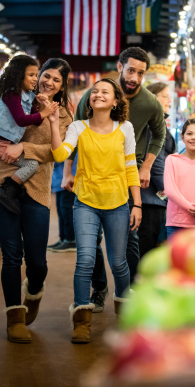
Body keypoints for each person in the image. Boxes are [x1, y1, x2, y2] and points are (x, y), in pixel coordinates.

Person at [62, 47, 165, 312]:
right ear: (120, 67)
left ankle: (127, 296)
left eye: (141, 73)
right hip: (90, 184)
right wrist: (67, 171)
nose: (135, 77)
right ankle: (98, 291)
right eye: (131, 70)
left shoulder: (149, 103)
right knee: (90, 248)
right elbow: (76, 134)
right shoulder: (95, 94)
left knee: (126, 248)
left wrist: (147, 168)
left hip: (125, 181)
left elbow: (159, 134)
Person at [0, 58, 73, 344]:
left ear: (62, 85)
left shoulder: (64, 117)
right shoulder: (16, 97)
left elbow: (56, 152)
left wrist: (24, 147)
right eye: (44, 76)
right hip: (0, 182)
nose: (48, 82)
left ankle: (33, 290)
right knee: (10, 255)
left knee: (37, 262)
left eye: (56, 80)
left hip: (37, 188)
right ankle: (14, 318)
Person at [50, 78, 141, 344]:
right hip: (86, 202)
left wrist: (137, 204)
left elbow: (130, 168)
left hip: (117, 204)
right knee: (85, 260)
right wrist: (55, 124)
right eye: (95, 91)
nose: (98, 94)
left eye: (105, 92)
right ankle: (81, 320)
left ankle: (125, 313)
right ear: (89, 99)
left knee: (118, 262)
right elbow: (59, 155)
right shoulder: (78, 127)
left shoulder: (125, 128)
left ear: (115, 101)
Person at [0, 54, 59, 217]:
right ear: (19, 75)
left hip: (4, 138)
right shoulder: (11, 94)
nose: (35, 79)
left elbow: (36, 121)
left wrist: (41, 106)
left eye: (36, 75)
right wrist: (45, 112)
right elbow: (21, 120)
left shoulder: (28, 96)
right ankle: (7, 192)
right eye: (31, 75)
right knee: (31, 165)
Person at [138, 82, 177, 257]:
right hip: (151, 199)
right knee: (148, 249)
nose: (169, 100)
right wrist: (171, 193)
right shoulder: (154, 125)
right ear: (154, 98)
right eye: (166, 96)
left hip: (151, 198)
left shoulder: (154, 122)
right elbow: (156, 164)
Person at [48, 161, 77, 252]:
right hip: (58, 181)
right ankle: (63, 239)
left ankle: (70, 240)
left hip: (68, 179)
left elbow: (59, 157)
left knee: (66, 209)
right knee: (61, 209)